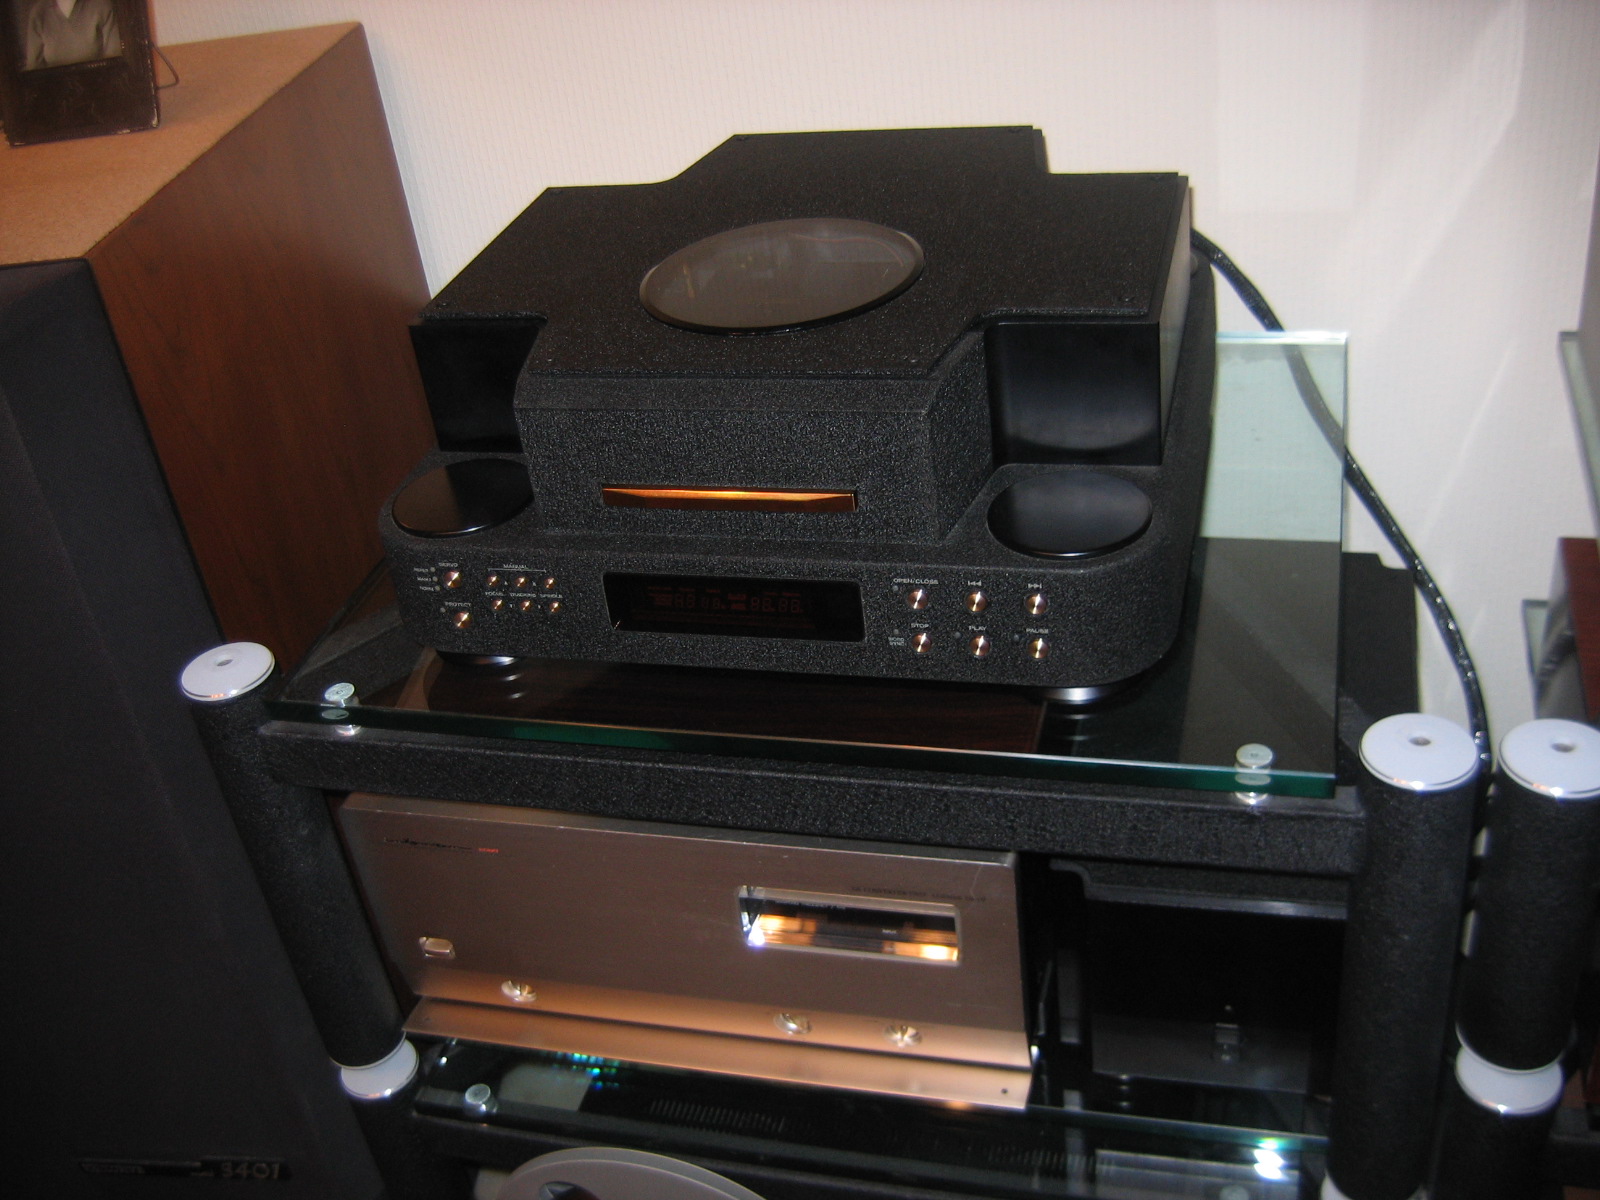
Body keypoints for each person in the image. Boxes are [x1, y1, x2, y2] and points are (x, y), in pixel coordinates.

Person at [21, 0, 121, 71]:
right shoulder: (39, 13)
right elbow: (34, 70)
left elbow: (115, 64)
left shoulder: (102, 5)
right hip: (56, 91)